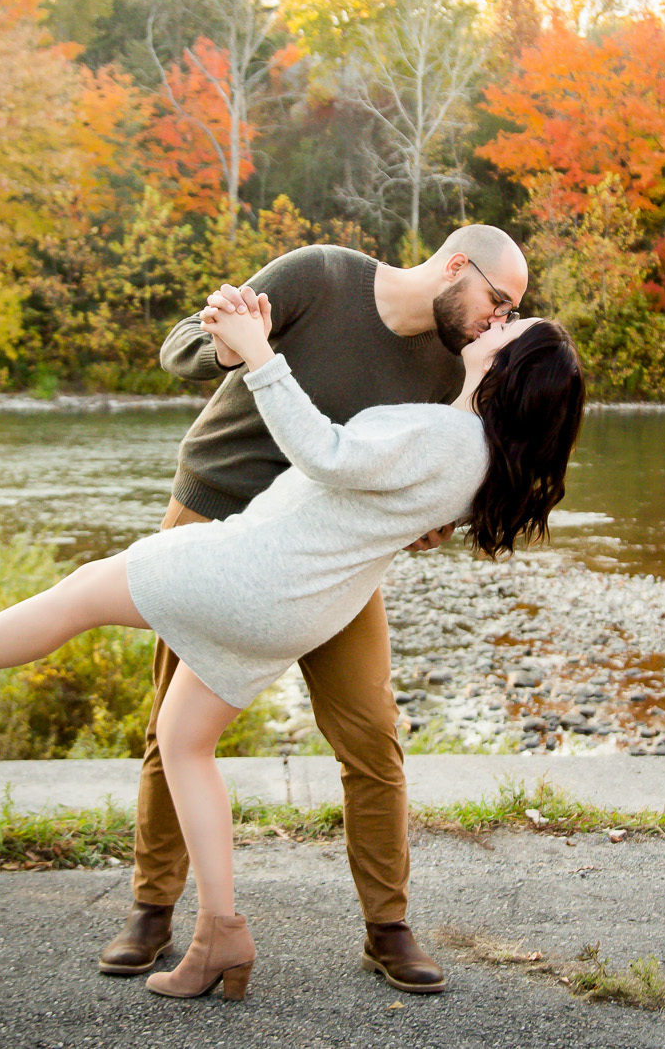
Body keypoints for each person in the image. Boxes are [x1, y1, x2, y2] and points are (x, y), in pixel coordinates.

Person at [0, 293, 585, 1003]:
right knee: (183, 737)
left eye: (511, 329)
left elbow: (325, 454)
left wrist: (260, 351)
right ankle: (220, 933)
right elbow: (392, 476)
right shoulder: (472, 452)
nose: (497, 325)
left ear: (509, 368)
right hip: (293, 607)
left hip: (249, 573)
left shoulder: (446, 439)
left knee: (78, 595)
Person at [113, 226, 531, 994]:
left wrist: (432, 524)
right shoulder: (320, 276)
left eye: (509, 315)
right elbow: (182, 344)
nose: (496, 323)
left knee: (372, 735)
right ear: (456, 264)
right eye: (497, 302)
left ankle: (388, 926)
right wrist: (233, 350)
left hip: (329, 558)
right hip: (212, 520)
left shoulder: (459, 365)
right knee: (169, 724)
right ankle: (152, 905)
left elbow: (437, 464)